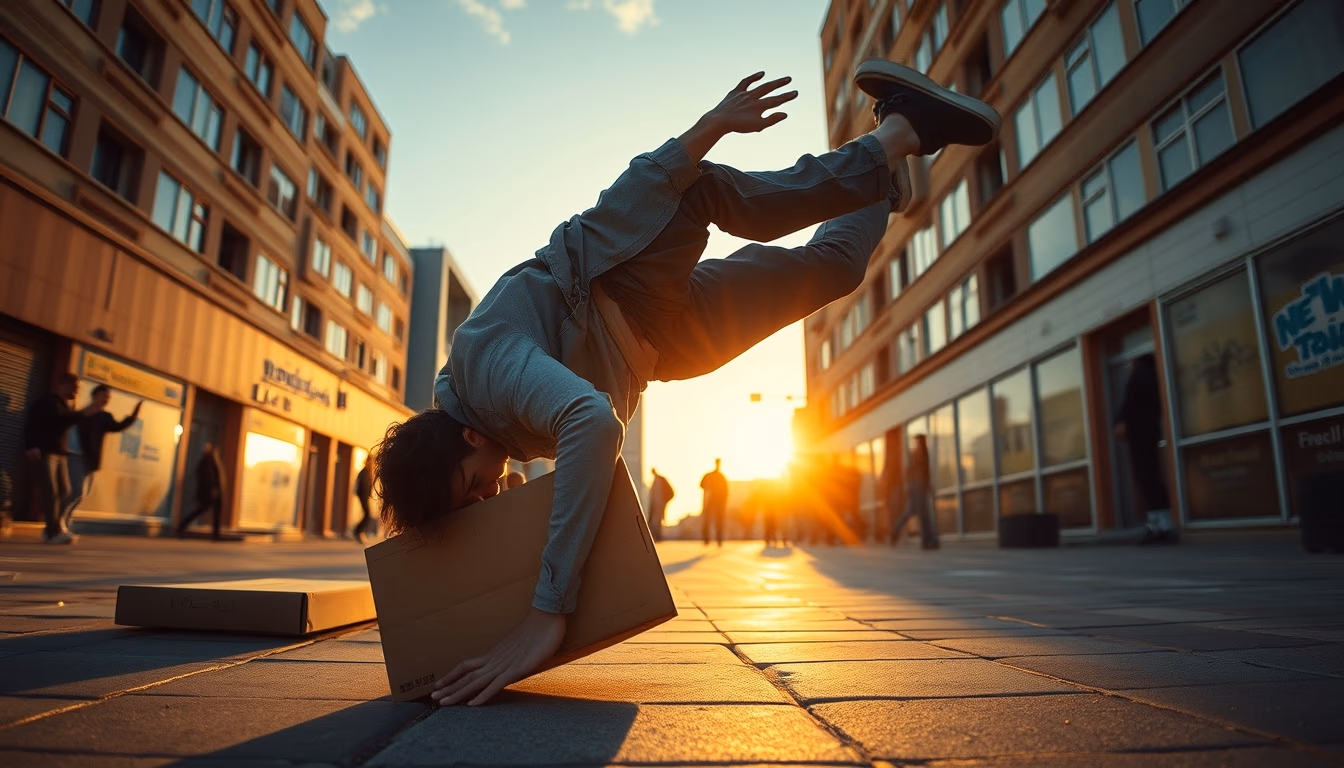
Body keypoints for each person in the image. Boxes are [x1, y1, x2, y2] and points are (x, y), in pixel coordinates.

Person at [372, 61, 1000, 707]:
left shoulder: (484, 364)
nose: (487, 495)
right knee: (835, 269)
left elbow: (592, 420)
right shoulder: (488, 427)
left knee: (719, 196)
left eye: (473, 486)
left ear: (468, 437)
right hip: (659, 345)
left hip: (627, 271)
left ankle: (902, 130)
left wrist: (546, 613)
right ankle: (883, 167)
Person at [22, 373, 96, 544]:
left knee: (64, 490)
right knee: (51, 492)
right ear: (64, 385)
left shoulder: (64, 405)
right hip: (45, 452)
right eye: (75, 388)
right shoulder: (48, 402)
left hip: (58, 453)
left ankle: (56, 527)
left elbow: (63, 423)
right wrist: (30, 446)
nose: (76, 392)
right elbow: (32, 424)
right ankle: (52, 533)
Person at [1114, 353, 1174, 544]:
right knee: (1151, 478)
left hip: (1140, 434)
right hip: (1150, 432)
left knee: (1146, 478)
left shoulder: (1139, 377)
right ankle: (1161, 524)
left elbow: (1130, 403)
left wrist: (1121, 421)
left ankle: (1159, 527)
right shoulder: (1152, 377)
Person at [64, 386, 142, 531]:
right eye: (104, 396)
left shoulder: (104, 417)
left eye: (108, 397)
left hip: (90, 459)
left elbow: (118, 427)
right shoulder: (83, 412)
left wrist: (134, 415)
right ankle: (58, 521)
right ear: (96, 395)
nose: (106, 400)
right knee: (77, 492)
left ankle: (64, 520)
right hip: (76, 455)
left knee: (83, 494)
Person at [891, 434, 939, 550]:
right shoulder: (920, 453)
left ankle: (895, 531)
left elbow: (911, 471)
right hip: (918, 485)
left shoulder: (915, 453)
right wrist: (925, 484)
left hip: (915, 485)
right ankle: (927, 540)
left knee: (910, 511)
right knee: (923, 513)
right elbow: (922, 471)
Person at [177, 442, 226, 540]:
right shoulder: (207, 462)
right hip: (210, 492)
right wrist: (212, 488)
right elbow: (207, 478)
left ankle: (216, 534)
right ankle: (182, 526)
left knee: (215, 512)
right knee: (201, 510)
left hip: (215, 492)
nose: (216, 453)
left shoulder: (214, 462)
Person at [700, 458, 729, 547]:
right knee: (708, 520)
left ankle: (718, 539)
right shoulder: (710, 476)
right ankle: (707, 539)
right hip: (710, 501)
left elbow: (726, 491)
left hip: (719, 503)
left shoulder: (721, 477)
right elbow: (701, 485)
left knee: (718, 521)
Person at [351, 459, 376, 543]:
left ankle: (358, 532)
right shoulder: (364, 472)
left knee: (367, 515)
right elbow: (362, 486)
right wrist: (365, 496)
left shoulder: (367, 472)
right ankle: (357, 532)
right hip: (363, 496)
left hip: (364, 496)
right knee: (367, 515)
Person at [648, 468, 674, 542]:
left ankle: (658, 536)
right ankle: (655, 536)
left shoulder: (661, 480)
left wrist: (664, 501)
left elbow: (671, 493)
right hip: (655, 504)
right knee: (654, 521)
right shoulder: (654, 481)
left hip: (660, 504)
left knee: (657, 520)